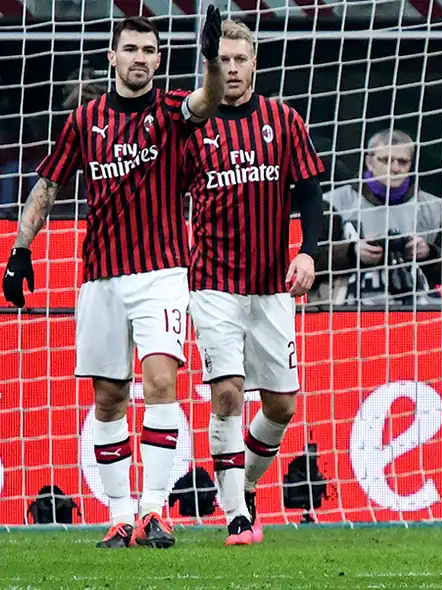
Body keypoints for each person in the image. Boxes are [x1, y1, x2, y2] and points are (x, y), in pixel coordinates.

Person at [1, 10, 224, 549]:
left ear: (159, 59)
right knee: (108, 397)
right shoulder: (85, 120)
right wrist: (20, 249)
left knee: (161, 382)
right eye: (131, 50)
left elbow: (210, 100)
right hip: (101, 276)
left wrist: (212, 61)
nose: (141, 59)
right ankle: (121, 515)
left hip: (163, 271)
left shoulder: (173, 111)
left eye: (150, 51)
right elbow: (49, 185)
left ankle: (154, 510)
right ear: (113, 57)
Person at [182, 19, 326, 546]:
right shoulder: (194, 124)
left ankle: (240, 488)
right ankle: (237, 517)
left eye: (241, 59)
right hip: (213, 283)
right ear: (212, 65)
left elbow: (310, 193)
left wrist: (309, 251)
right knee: (227, 394)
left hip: (271, 286)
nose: (232, 68)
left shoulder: (282, 120)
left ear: (255, 63)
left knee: (282, 406)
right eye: (223, 60)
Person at [323, 129, 442, 306]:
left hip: (419, 312)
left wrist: (428, 253)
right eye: (386, 160)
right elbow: (312, 261)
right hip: (348, 310)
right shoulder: (334, 202)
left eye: (402, 162)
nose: (394, 168)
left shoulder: (435, 208)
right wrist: (352, 252)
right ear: (369, 162)